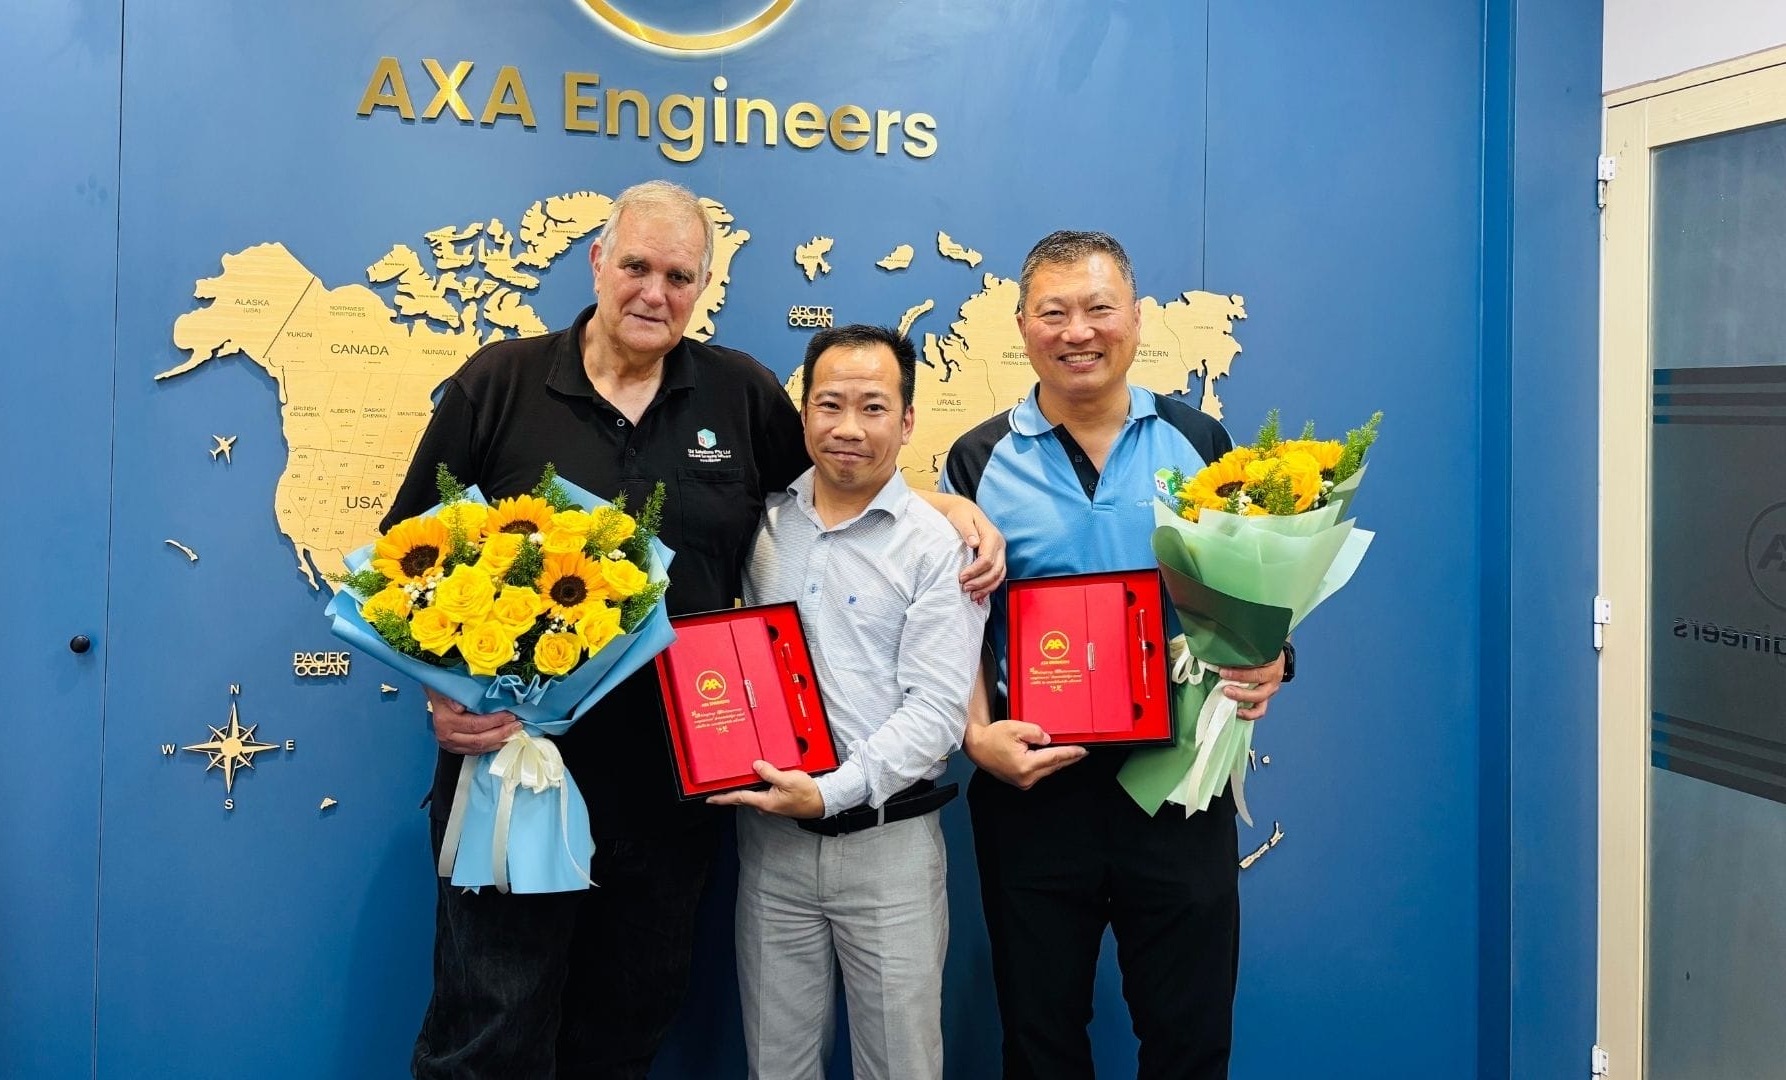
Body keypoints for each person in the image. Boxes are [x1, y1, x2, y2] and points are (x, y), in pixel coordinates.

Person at [381, 180, 1005, 1080]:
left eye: (679, 276)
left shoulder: (740, 392)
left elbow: (847, 478)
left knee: (622, 1036)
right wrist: (443, 691)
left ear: (702, 286)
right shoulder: (500, 383)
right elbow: (411, 563)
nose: (653, 293)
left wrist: (946, 505)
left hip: (677, 796)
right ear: (597, 262)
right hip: (516, 779)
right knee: (487, 1038)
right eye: (635, 266)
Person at [938, 231, 1293, 1080]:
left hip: (1178, 785)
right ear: (1021, 327)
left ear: (1137, 319)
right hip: (1034, 789)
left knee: (1190, 1036)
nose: (1078, 331)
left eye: (1100, 309)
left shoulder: (1201, 438)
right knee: (1040, 1038)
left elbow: (1252, 580)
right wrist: (972, 736)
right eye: (1053, 312)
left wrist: (1273, 655)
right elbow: (947, 627)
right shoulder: (976, 459)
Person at [709, 325, 987, 1080]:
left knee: (900, 1067)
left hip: (888, 851)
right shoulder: (761, 524)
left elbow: (935, 717)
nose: (849, 428)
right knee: (776, 1066)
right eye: (830, 404)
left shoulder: (939, 547)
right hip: (769, 854)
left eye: (873, 407)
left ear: (905, 423)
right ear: (803, 416)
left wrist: (829, 793)